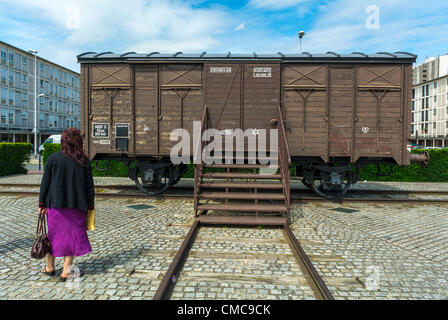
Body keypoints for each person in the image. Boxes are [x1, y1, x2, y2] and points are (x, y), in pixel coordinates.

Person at [38, 128, 94, 282]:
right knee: (71, 237)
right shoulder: (83, 161)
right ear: (79, 142)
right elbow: (90, 187)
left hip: (55, 205)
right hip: (77, 206)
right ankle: (66, 271)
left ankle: (50, 267)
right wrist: (90, 205)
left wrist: (41, 203)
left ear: (63, 142)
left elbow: (45, 183)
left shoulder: (53, 158)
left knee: (52, 236)